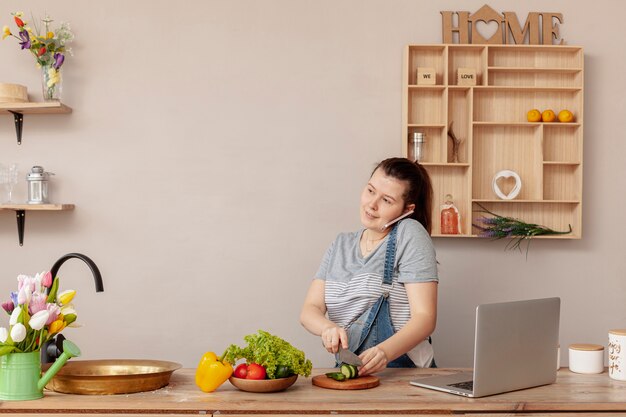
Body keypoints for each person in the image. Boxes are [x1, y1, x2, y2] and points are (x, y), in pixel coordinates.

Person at [300, 157, 438, 376]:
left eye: (387, 200)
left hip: (402, 374)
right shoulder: (340, 244)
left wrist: (383, 352)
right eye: (371, 191)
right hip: (353, 370)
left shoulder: (409, 234)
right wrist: (327, 328)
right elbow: (310, 310)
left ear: (407, 209)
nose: (371, 205)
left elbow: (425, 318)